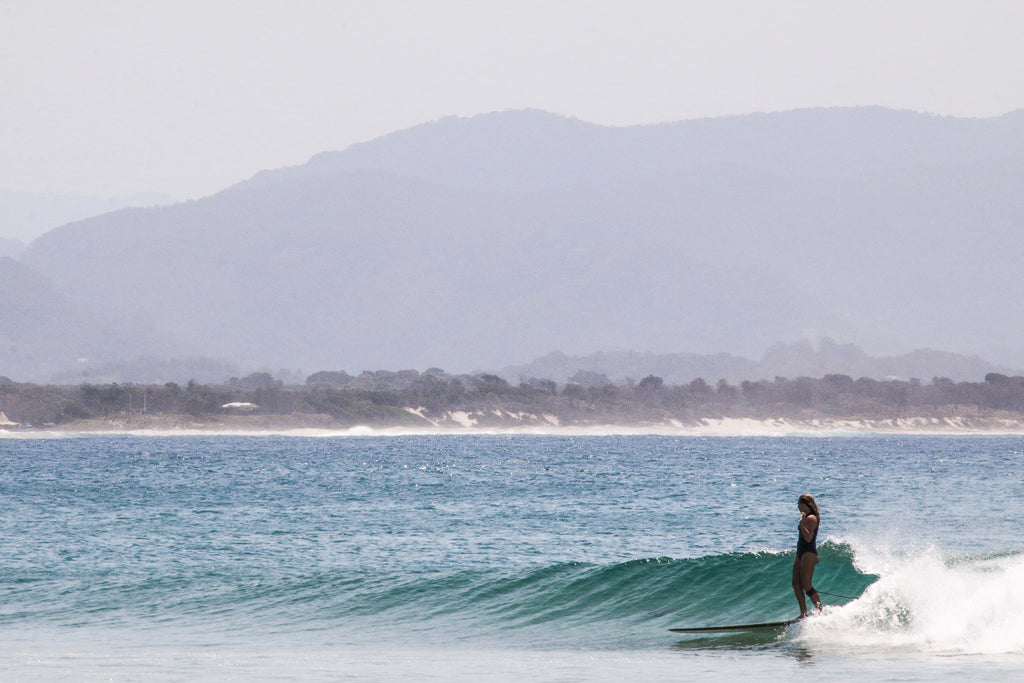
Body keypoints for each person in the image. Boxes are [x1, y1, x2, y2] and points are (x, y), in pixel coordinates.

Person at [792, 493, 823, 617]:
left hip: (809, 553)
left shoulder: (811, 518)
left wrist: (802, 524)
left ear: (805, 504)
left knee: (806, 584)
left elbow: (809, 538)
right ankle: (803, 613)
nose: (798, 507)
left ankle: (820, 611)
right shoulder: (805, 517)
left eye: (799, 504)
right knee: (796, 583)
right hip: (800, 552)